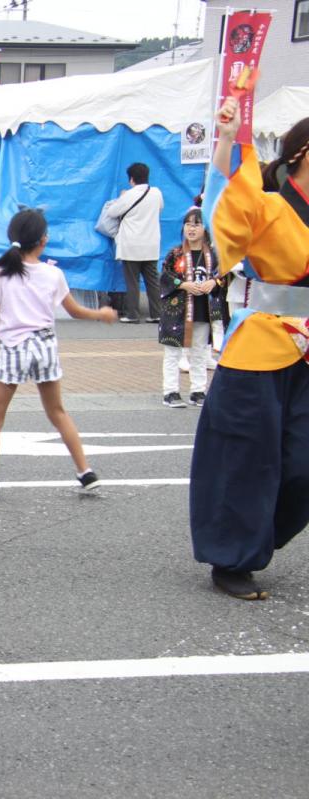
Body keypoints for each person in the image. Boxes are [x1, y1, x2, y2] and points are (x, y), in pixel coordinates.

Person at [189, 98, 309, 601]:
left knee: (302, 464)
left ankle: (257, 534)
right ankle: (231, 557)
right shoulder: (269, 204)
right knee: (246, 456)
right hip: (263, 342)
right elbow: (224, 206)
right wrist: (225, 139)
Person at [0, 208, 117, 502]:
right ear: (41, 241)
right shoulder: (53, 273)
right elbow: (74, 310)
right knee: (57, 412)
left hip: (13, 348)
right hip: (45, 346)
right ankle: (85, 472)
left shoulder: (0, 272)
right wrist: (100, 314)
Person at [158, 208, 223, 408]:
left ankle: (198, 391)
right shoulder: (175, 253)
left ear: (205, 228)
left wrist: (213, 283)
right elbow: (165, 277)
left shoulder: (213, 254)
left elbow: (223, 275)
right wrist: (182, 284)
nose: (191, 229)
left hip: (203, 310)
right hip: (176, 312)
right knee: (173, 352)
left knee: (200, 352)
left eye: (196, 224)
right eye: (188, 224)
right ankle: (170, 392)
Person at [105, 162, 164, 323]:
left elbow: (112, 212)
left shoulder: (129, 195)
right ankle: (157, 313)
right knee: (153, 281)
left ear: (131, 179)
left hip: (131, 244)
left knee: (132, 281)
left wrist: (123, 196)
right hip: (151, 243)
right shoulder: (156, 193)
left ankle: (133, 314)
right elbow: (160, 208)